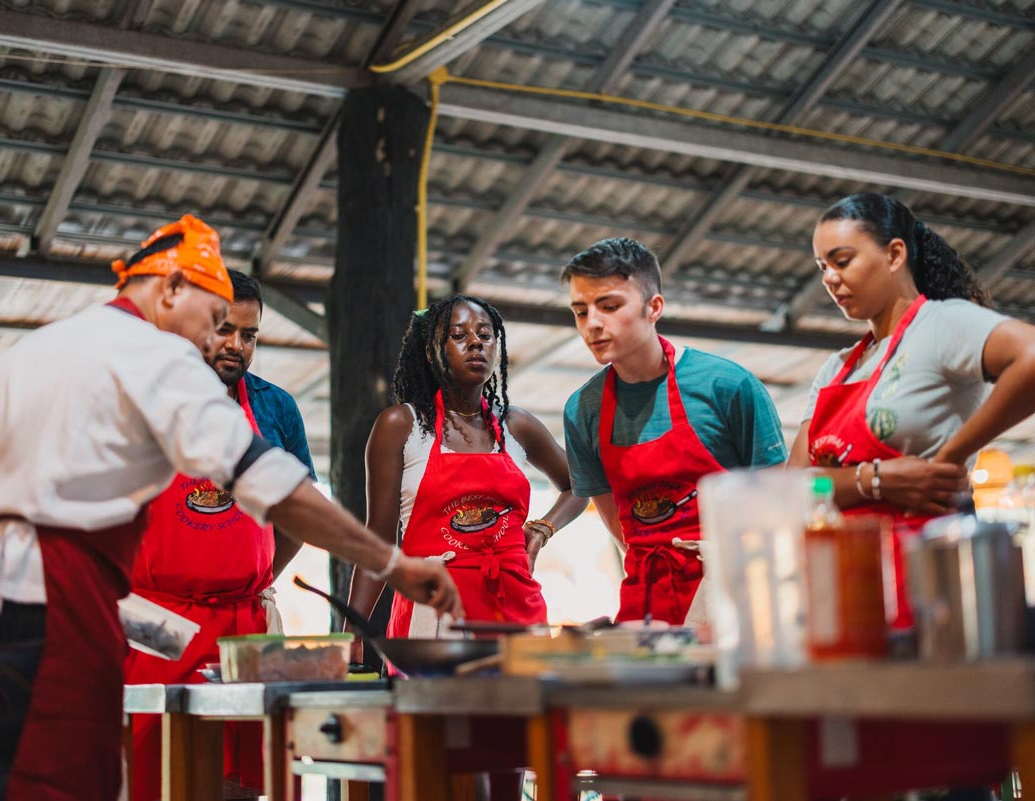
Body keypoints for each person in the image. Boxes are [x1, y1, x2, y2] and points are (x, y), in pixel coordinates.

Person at [0, 214, 461, 801]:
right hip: (44, 617)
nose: (213, 339)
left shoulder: (22, 355)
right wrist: (393, 564)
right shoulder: (159, 358)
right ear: (171, 288)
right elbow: (270, 484)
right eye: (212, 320)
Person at [787, 192, 1035, 630]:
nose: (829, 278)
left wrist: (950, 456)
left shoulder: (940, 326)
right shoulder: (836, 368)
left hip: (934, 583)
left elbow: (1030, 357)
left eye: (842, 261)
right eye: (821, 266)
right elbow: (793, 489)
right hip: (849, 589)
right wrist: (874, 480)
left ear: (894, 253)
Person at [124, 271, 314, 801]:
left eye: (250, 335)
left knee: (251, 775)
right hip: (158, 620)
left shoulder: (276, 409)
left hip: (247, 624)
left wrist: (252, 581)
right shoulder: (146, 401)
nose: (237, 345)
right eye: (226, 329)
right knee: (154, 766)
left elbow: (299, 514)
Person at [561, 237, 787, 625]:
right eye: (581, 312)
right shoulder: (583, 410)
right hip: (644, 604)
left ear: (654, 307)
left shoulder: (727, 386)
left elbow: (776, 501)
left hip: (734, 598)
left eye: (610, 306)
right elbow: (621, 530)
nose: (593, 324)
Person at [347, 294, 585, 644]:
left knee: (525, 699)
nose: (475, 342)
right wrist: (352, 631)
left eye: (485, 335)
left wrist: (542, 529)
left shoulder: (516, 425)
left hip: (516, 609)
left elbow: (580, 484)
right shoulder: (401, 425)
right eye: (459, 335)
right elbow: (379, 541)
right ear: (432, 353)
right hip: (433, 615)